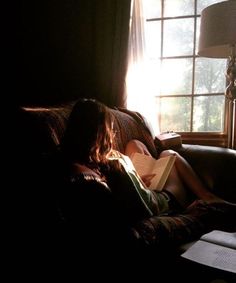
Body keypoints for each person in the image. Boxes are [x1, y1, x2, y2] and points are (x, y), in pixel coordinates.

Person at [59, 98, 236, 249]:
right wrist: (183, 213)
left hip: (145, 191)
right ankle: (207, 196)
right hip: (166, 200)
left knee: (135, 143)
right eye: (111, 130)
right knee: (169, 154)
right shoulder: (110, 166)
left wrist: (137, 181)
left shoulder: (79, 161)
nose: (113, 135)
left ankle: (160, 172)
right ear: (101, 133)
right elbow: (140, 208)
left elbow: (124, 193)